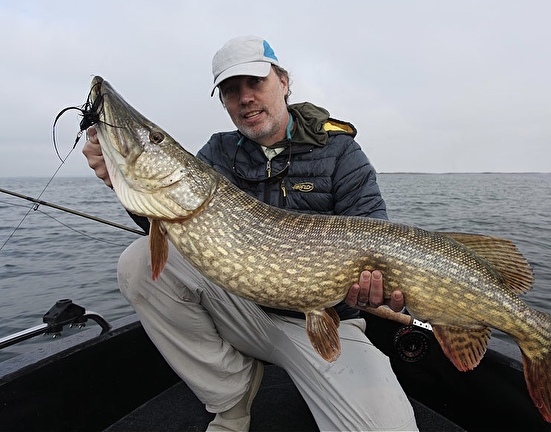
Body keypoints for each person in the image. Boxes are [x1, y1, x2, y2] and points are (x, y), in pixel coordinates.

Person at [83, 35, 417, 431]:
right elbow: (175, 225)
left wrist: (373, 285)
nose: (244, 98)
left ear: (284, 82)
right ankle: (232, 398)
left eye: (255, 83)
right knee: (139, 262)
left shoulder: (340, 153)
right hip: (243, 312)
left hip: (328, 323)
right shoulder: (218, 153)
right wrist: (119, 182)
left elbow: (375, 234)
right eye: (230, 90)